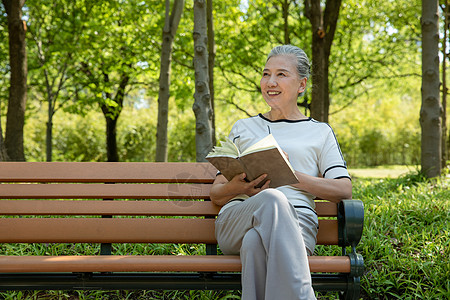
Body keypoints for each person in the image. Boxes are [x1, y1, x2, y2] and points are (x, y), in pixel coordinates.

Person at [209, 45, 352, 300]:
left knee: (255, 243)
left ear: (301, 84)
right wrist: (241, 187)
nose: (270, 82)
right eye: (266, 74)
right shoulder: (243, 127)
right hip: (238, 219)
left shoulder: (320, 131)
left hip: (298, 225)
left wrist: (289, 174)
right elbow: (217, 194)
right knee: (273, 199)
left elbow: (343, 190)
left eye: (281, 74)